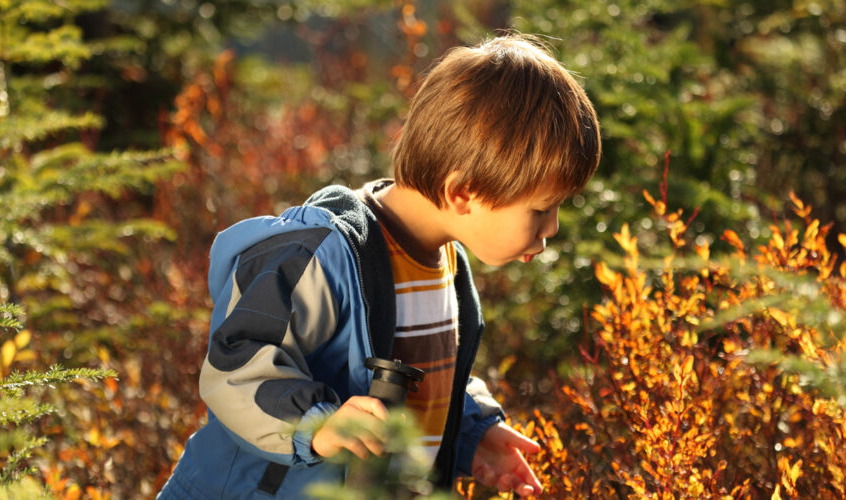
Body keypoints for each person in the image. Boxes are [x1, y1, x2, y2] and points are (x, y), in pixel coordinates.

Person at [158, 33, 600, 499]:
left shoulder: (446, 261)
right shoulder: (321, 258)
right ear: (463, 193)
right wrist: (319, 424)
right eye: (541, 209)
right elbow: (237, 368)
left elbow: (424, 377)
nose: (550, 230)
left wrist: (472, 432)